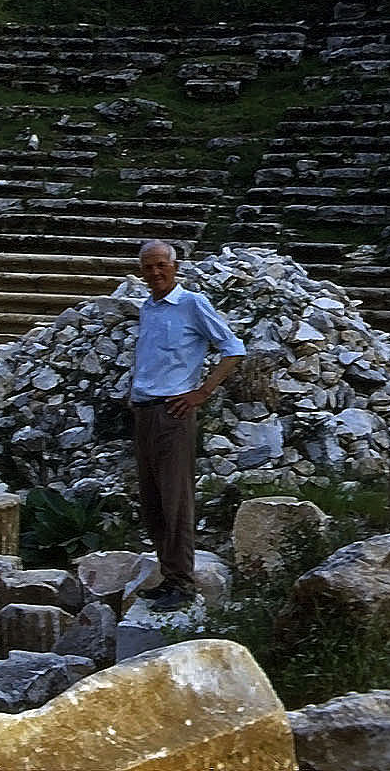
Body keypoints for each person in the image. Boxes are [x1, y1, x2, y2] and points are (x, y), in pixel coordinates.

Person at [129, 240, 245, 612]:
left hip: (174, 412)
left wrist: (202, 392)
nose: (155, 272)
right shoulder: (148, 307)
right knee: (152, 502)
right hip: (144, 410)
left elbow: (233, 349)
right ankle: (168, 574)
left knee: (175, 498)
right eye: (148, 267)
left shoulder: (193, 304)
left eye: (161, 265)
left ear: (175, 267)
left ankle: (183, 582)